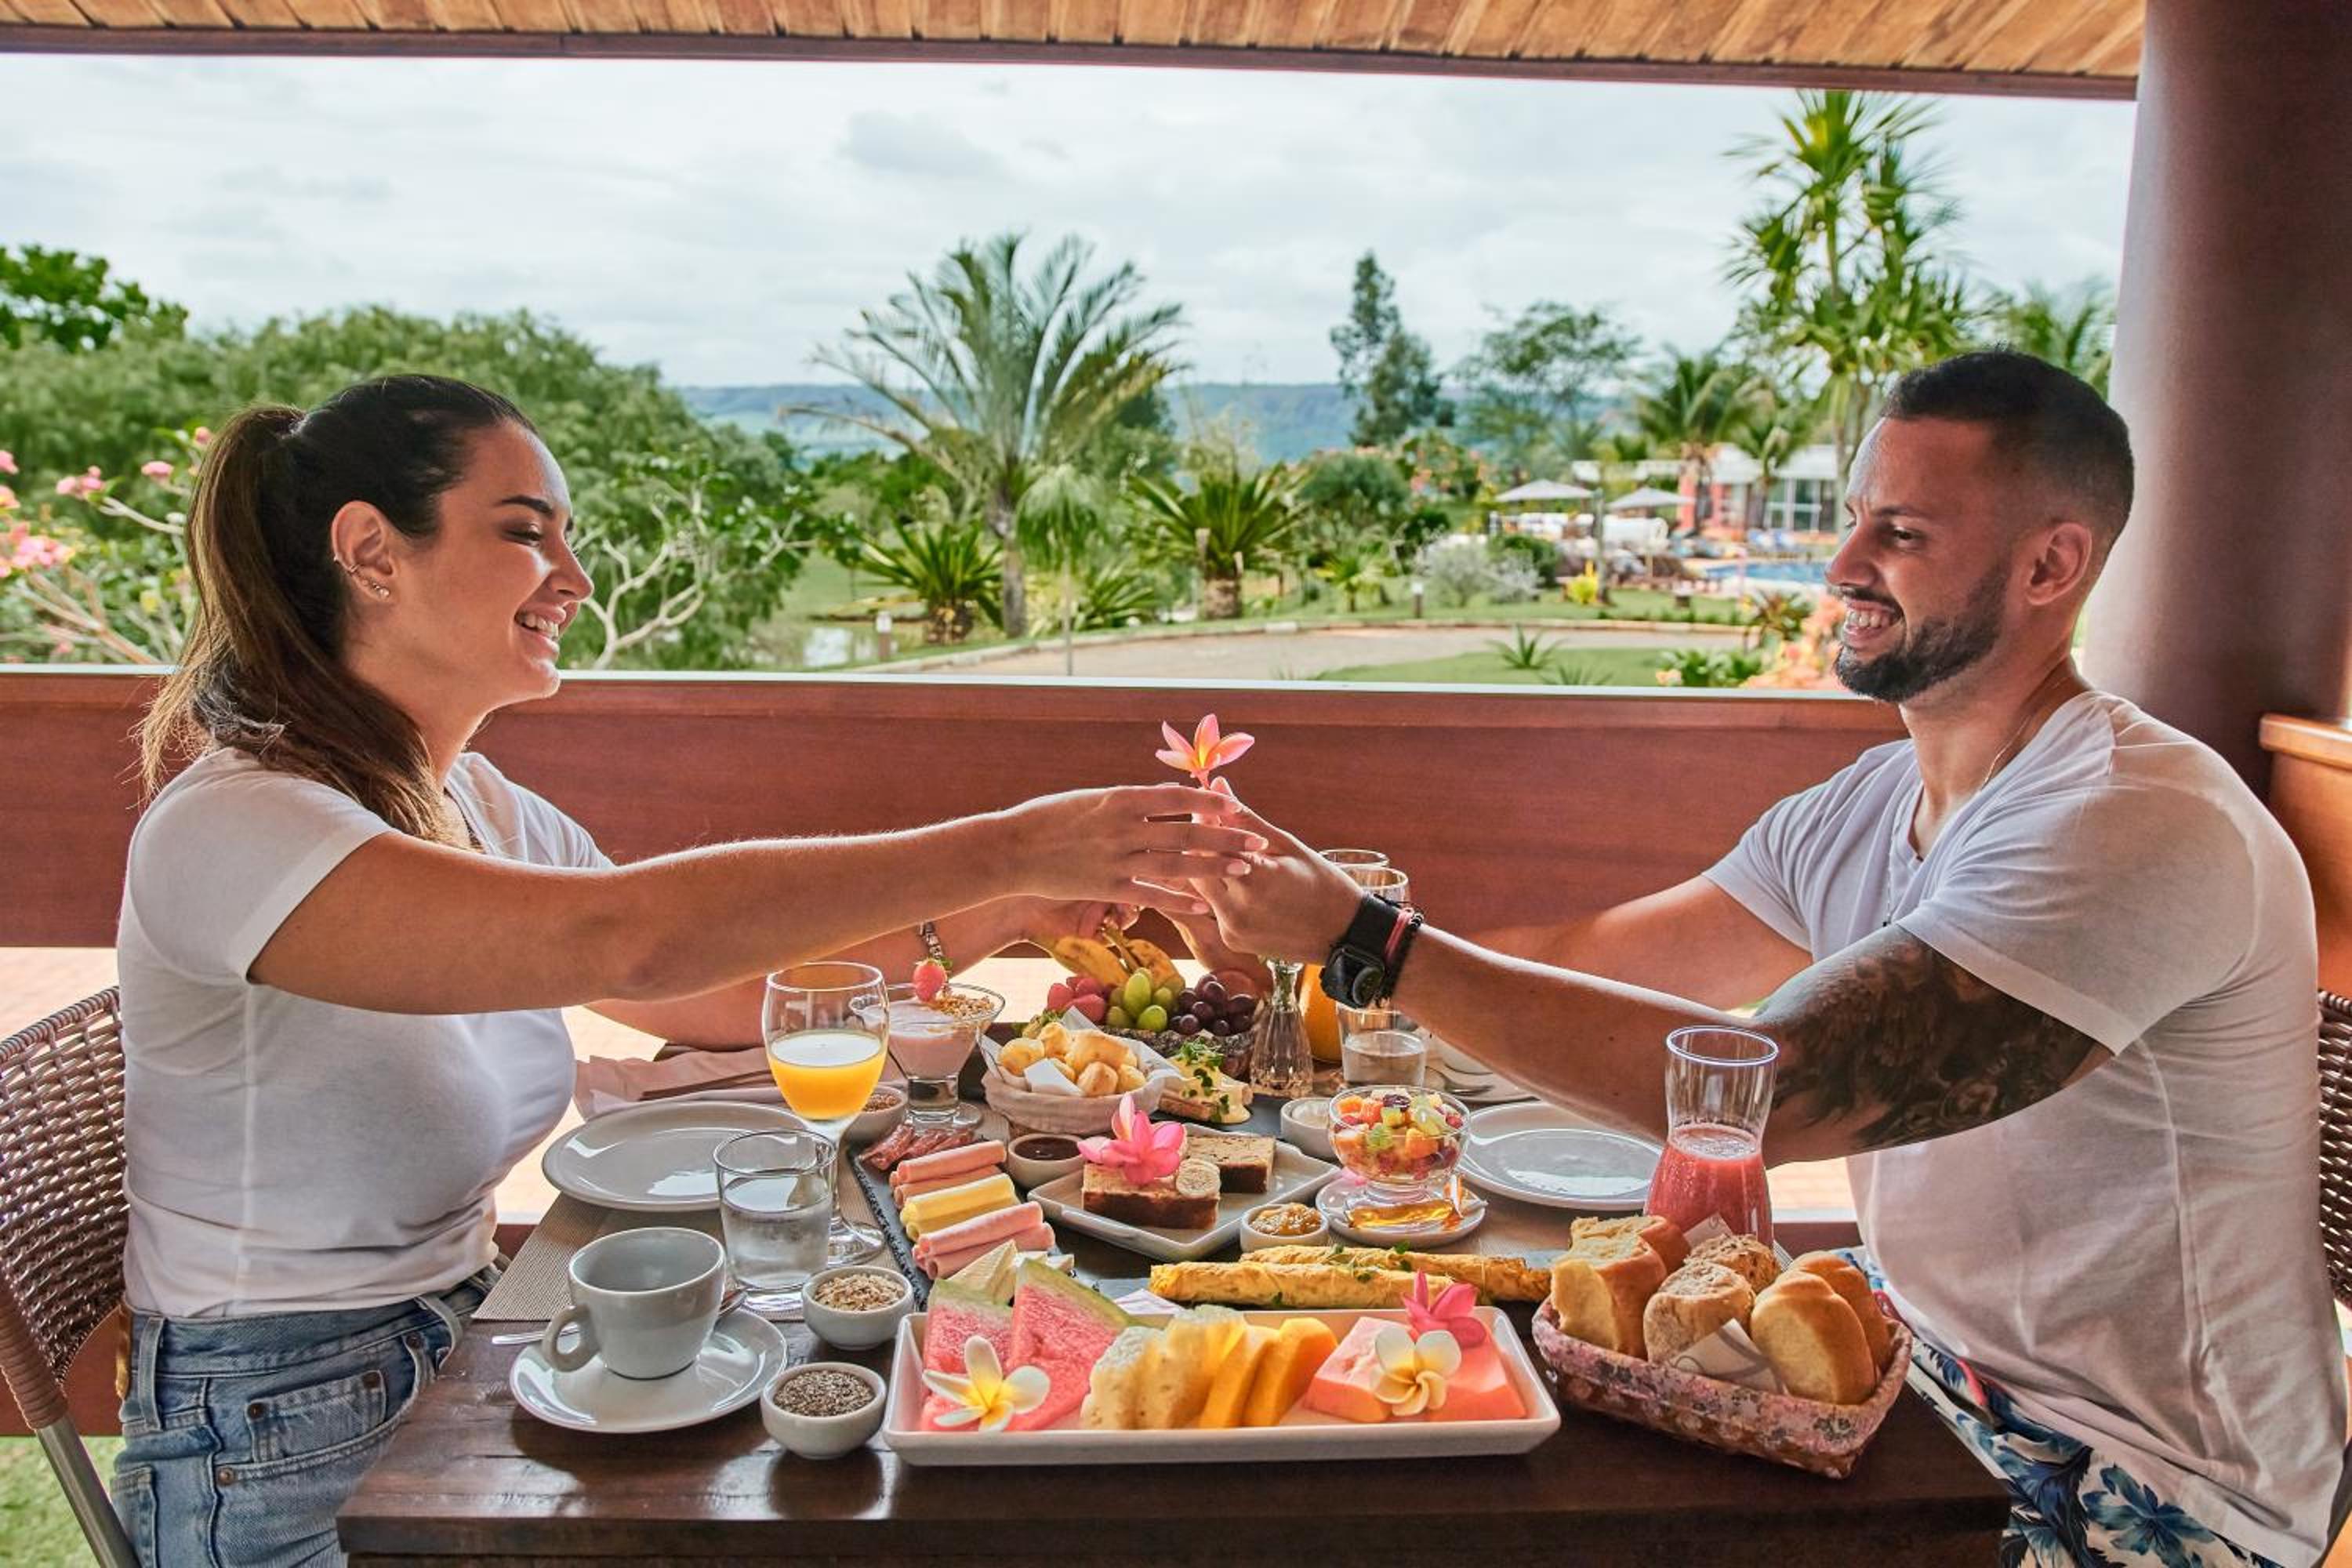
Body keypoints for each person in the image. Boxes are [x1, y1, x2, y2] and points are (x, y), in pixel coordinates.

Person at [1198, 353, 2339, 1566]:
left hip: (2144, 1474)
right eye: (1854, 519)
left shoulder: (2134, 823)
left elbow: (1765, 1098)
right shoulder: (1872, 801)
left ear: (2050, 567)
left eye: (1900, 533)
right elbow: (1591, 961)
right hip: (1907, 1356)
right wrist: (1309, 933)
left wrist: (1369, 943)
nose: (1843, 564)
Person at [109, 375, 1262, 1567]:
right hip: (281, 1426)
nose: (575, 578)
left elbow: (701, 994)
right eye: (525, 532)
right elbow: (630, 937)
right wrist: (1010, 844)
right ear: (370, 552)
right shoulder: (238, 827)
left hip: (471, 1338)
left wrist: (1007, 910)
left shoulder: (469, 802)